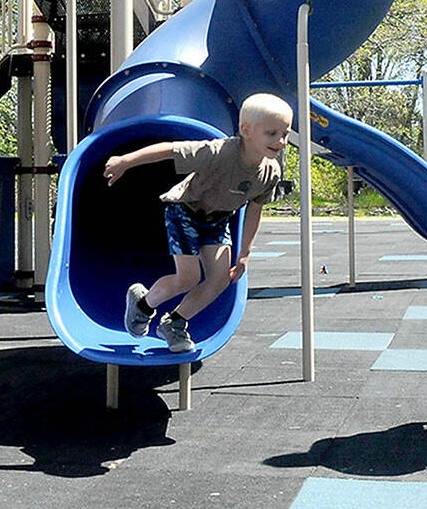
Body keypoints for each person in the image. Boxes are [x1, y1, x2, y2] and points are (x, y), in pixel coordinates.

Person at [104, 93, 292, 353]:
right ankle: (143, 304)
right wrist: (127, 161)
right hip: (185, 210)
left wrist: (245, 251)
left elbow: (254, 209)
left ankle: (175, 323)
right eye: (271, 133)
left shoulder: (271, 171)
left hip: (217, 220)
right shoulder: (218, 152)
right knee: (188, 278)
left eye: (285, 133)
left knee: (219, 280)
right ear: (246, 131)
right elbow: (170, 150)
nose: (280, 141)